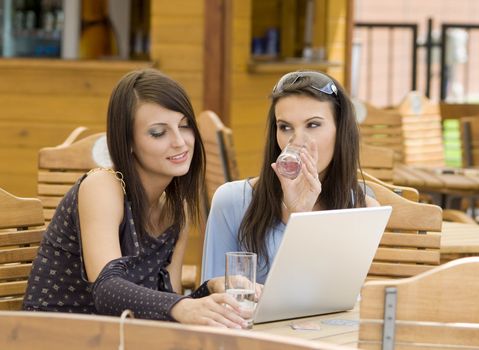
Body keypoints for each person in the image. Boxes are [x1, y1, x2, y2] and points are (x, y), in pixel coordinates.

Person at [22, 68, 247, 329]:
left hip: (120, 338)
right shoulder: (103, 186)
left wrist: (211, 289)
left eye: (184, 126)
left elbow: (166, 304)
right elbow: (106, 287)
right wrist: (183, 306)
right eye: (158, 132)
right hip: (52, 337)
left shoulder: (176, 209)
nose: (180, 142)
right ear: (127, 141)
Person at [202, 71, 379, 284]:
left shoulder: (361, 210)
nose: (297, 141)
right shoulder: (232, 201)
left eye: (313, 125)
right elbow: (211, 293)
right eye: (285, 127)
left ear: (340, 130)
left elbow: (336, 297)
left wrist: (301, 218)